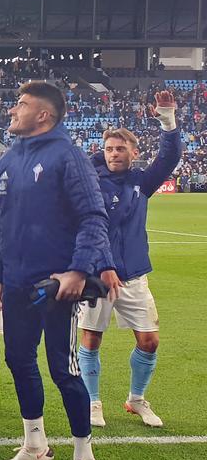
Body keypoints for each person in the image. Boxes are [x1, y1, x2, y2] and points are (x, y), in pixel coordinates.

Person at [0, 81, 110, 460]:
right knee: (18, 360)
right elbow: (0, 228)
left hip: (58, 287)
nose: (12, 110)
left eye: (20, 104)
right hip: (18, 284)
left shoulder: (68, 156)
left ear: (43, 115)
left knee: (64, 369)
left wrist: (78, 272)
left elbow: (93, 216)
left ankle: (84, 459)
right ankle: (35, 444)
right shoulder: (4, 163)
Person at [78, 91, 182, 428]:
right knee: (91, 338)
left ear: (134, 153)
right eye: (109, 148)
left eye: (120, 148)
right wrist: (100, 152)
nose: (113, 153)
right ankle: (93, 402)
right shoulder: (92, 181)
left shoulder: (141, 182)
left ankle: (136, 399)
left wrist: (167, 119)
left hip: (134, 275)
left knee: (149, 341)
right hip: (96, 276)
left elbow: (169, 158)